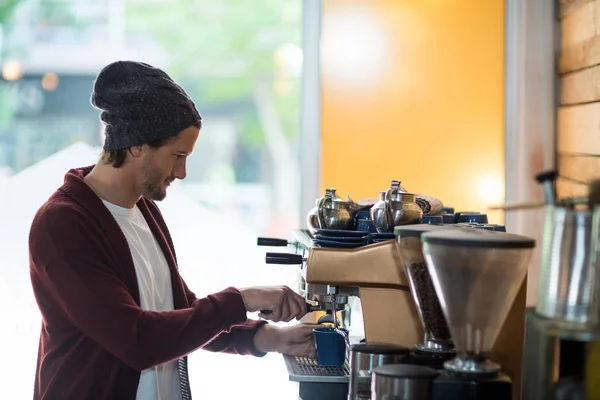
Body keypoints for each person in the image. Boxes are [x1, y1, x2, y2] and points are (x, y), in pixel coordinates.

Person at [29, 61, 318, 400]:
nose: (181, 172)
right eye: (177, 155)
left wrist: (267, 337)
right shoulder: (63, 225)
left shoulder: (143, 209)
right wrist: (241, 299)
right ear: (136, 144)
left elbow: (178, 310)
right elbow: (137, 339)